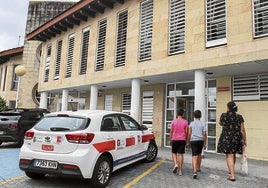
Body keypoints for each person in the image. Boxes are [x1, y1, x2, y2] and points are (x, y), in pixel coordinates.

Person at [217, 101, 247, 181]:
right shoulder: (239, 117)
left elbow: (220, 123)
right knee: (233, 154)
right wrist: (244, 140)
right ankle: (231, 170)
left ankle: (232, 175)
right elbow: (243, 130)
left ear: (228, 108)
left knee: (229, 155)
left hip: (226, 138)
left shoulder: (224, 115)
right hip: (237, 138)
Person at [187, 110, 207, 179]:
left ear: (194, 116)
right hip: (200, 141)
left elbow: (189, 133)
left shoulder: (191, 124)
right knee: (199, 155)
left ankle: (194, 171)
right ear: (200, 116)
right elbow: (204, 134)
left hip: (193, 141)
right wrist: (205, 143)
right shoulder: (203, 124)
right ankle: (198, 168)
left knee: (194, 156)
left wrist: (188, 142)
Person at [170, 109, 189, 175]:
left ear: (177, 114)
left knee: (174, 153)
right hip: (182, 140)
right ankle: (180, 171)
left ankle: (175, 164)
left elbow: (171, 131)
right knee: (180, 154)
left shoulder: (173, 122)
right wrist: (186, 140)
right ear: (183, 114)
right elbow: (187, 132)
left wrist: (170, 139)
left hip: (174, 139)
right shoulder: (185, 122)